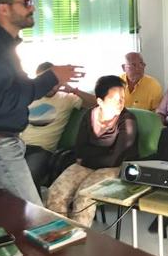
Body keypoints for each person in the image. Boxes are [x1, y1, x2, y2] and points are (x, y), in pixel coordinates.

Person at [0, 0, 82, 205]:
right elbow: (4, 101)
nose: (32, 8)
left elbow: (10, 92)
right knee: (33, 218)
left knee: (3, 215)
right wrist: (52, 76)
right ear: (3, 8)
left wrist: (50, 79)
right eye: (26, 2)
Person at [46, 76, 138, 226]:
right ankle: (61, 235)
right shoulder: (89, 115)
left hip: (115, 168)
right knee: (55, 193)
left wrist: (87, 158)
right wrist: (89, 157)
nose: (120, 102)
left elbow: (115, 158)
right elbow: (80, 148)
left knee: (84, 197)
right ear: (100, 101)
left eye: (122, 97)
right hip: (88, 164)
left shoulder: (127, 120)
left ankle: (79, 239)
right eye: (114, 99)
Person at [21, 62, 95, 188]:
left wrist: (74, 90)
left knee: (28, 181)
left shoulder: (67, 98)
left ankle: (32, 206)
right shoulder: (29, 96)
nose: (51, 87)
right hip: (17, 146)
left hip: (41, 150)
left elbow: (97, 103)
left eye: (54, 82)